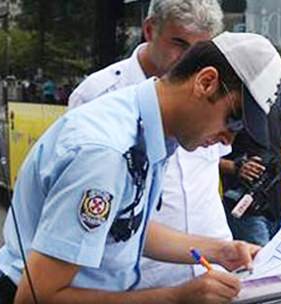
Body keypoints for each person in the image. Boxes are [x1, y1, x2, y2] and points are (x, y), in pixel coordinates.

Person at [0, 32, 281, 303]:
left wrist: (222, 251)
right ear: (205, 82)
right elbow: (37, 296)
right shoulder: (106, 155)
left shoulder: (145, 126)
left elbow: (123, 225)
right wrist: (176, 298)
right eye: (233, 121)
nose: (228, 142)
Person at [67, 0, 233, 288]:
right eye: (179, 43)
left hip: (213, 269)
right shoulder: (98, 96)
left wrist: (222, 250)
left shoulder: (211, 91)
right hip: (143, 281)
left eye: (200, 50)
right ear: (149, 30)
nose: (188, 60)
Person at [220, 101, 281, 246]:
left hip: (277, 212)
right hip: (246, 213)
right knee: (258, 266)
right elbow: (204, 159)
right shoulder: (233, 108)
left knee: (277, 265)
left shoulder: (272, 107)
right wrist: (235, 167)